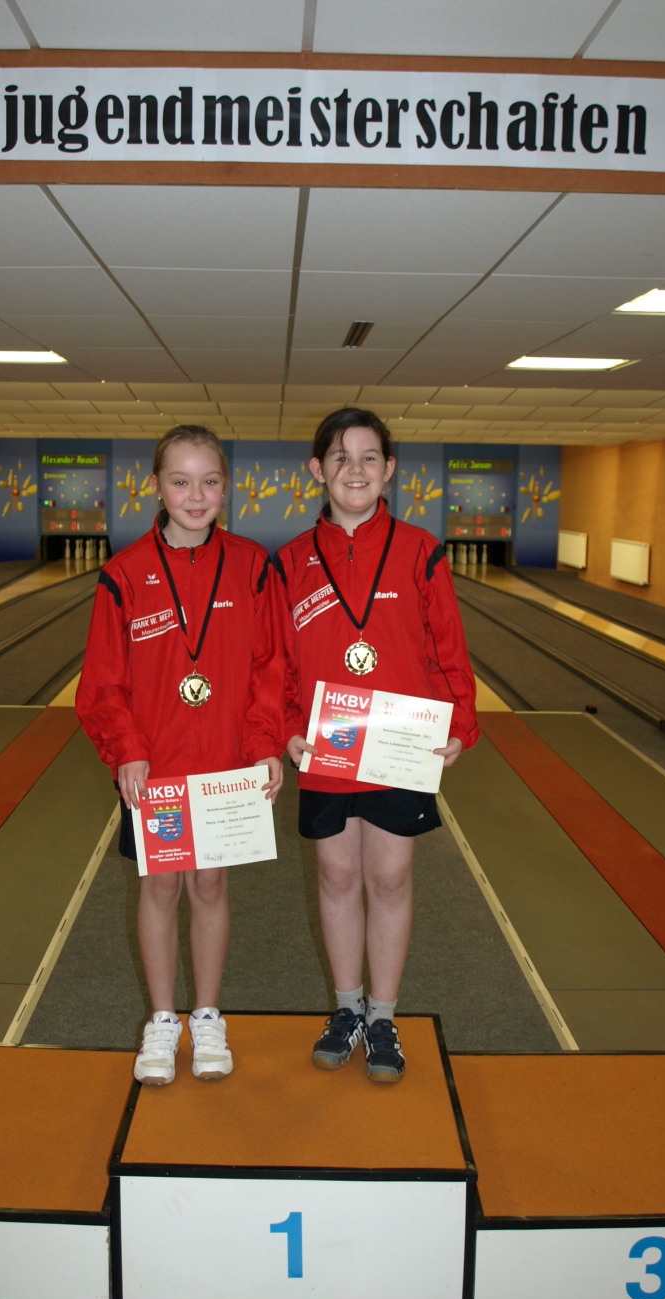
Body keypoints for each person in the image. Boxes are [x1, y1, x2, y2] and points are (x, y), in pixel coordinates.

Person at [76, 425, 284, 1086]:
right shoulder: (124, 576)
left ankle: (207, 1015)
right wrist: (126, 751)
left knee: (211, 884)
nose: (196, 496)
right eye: (181, 481)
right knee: (161, 886)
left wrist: (263, 745)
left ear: (227, 487)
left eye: (209, 481)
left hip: (225, 761)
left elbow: (269, 667)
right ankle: (163, 1020)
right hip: (157, 766)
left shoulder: (252, 567)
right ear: (156, 487)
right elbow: (102, 683)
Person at [276, 407, 479, 1082]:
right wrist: (287, 725)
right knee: (337, 876)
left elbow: (448, 646)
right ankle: (347, 1009)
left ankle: (384, 1016)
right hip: (328, 744)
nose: (355, 470)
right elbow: (277, 661)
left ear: (389, 469)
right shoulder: (292, 562)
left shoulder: (421, 551)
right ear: (317, 470)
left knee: (390, 877)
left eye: (368, 457)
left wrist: (461, 723)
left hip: (398, 741)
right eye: (340, 457)